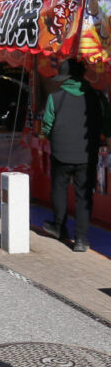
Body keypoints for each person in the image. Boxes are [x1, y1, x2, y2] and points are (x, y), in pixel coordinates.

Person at [41, 59, 110, 252]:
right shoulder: (97, 97)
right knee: (84, 195)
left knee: (59, 189)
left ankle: (59, 227)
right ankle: (80, 240)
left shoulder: (55, 97)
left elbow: (47, 125)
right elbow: (107, 124)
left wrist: (53, 136)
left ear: (67, 77)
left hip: (61, 152)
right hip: (87, 154)